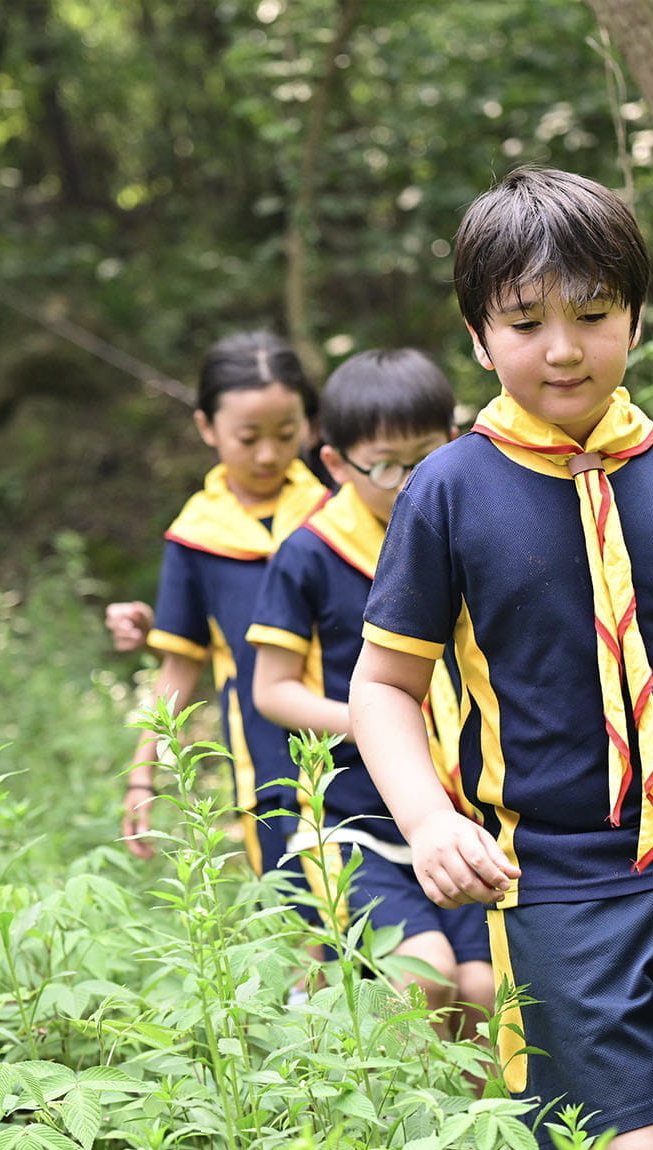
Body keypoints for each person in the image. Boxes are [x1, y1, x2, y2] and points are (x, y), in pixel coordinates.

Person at [347, 167, 653, 1150]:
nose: (562, 347)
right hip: (555, 878)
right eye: (524, 322)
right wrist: (432, 822)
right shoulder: (446, 491)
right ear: (480, 339)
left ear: (637, 318)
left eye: (593, 313)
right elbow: (384, 686)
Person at [245, 348, 491, 1036]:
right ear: (335, 463)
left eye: (425, 456)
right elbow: (272, 689)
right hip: (356, 820)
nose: (408, 480)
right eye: (384, 464)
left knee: (480, 983)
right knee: (424, 974)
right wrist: (381, 725)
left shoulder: (466, 531)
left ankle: (465, 1142)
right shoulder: (310, 553)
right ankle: (401, 1130)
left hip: (460, 806)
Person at [117, 330, 326, 876]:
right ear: (207, 427)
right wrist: (144, 773)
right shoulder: (194, 537)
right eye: (247, 437)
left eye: (286, 434)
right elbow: (180, 665)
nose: (268, 454)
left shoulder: (338, 508)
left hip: (355, 733)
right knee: (295, 907)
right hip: (260, 751)